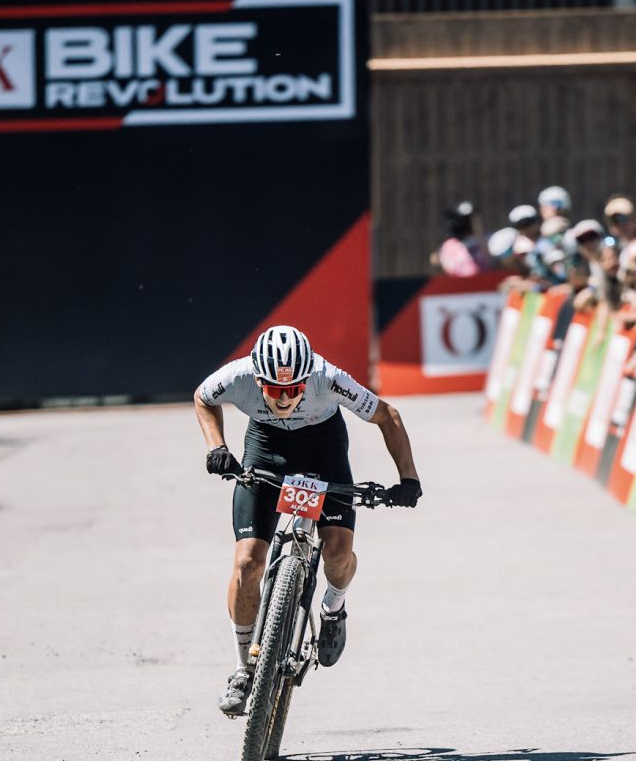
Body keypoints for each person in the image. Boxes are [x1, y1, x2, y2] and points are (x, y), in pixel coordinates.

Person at [194, 326, 421, 715]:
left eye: (294, 389)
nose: (285, 399)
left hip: (323, 453)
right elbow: (202, 398)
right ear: (257, 378)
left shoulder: (328, 378)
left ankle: (333, 608)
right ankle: (242, 669)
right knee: (247, 562)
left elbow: (388, 415)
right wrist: (217, 446)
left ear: (307, 378)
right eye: (275, 391)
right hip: (265, 453)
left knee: (337, 551)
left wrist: (408, 479)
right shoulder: (237, 376)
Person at [433, 203, 490, 278]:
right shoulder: (450, 246)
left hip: (484, 283)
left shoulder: (484, 240)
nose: (470, 224)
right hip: (460, 285)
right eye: (467, 220)